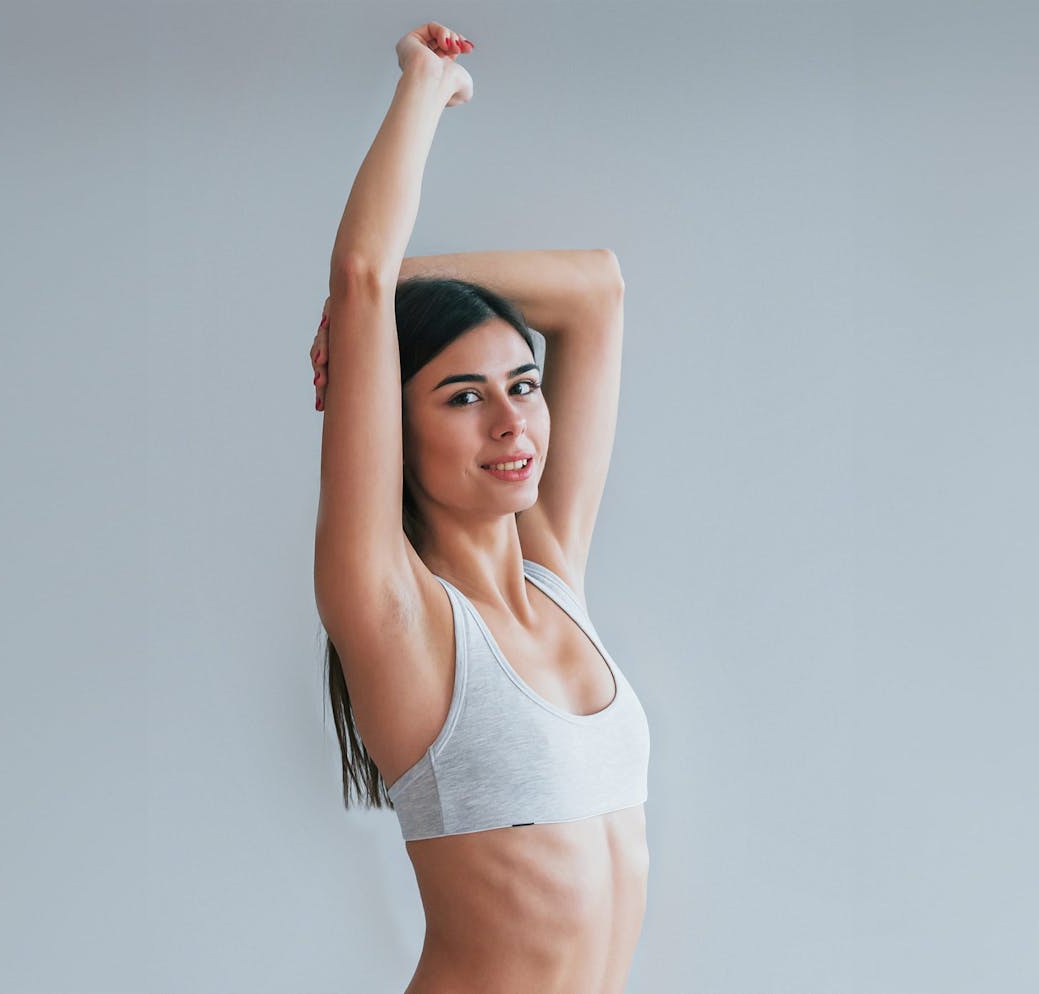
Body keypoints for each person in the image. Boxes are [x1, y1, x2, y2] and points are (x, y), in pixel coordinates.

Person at [311, 22, 650, 994]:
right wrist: (429, 84)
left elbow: (598, 290)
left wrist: (410, 301)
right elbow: (362, 274)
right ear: (394, 432)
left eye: (524, 384)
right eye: (462, 397)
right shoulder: (397, 617)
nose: (511, 420)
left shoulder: (554, 574)